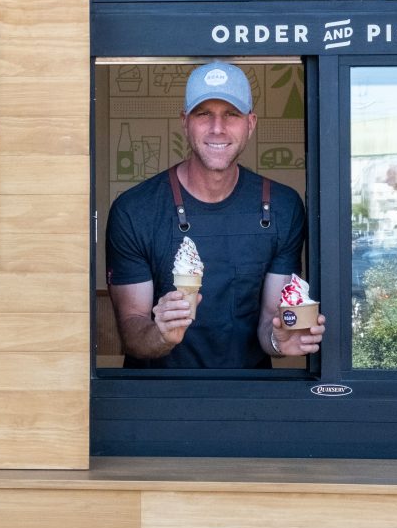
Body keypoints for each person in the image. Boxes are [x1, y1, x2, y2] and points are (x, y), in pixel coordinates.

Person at [105, 60, 325, 368]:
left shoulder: (281, 207)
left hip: (249, 398)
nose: (217, 128)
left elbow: (268, 324)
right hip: (155, 400)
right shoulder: (135, 210)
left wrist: (280, 339)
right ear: (185, 122)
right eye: (203, 114)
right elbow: (132, 330)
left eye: (231, 114)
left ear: (251, 122)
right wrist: (161, 333)